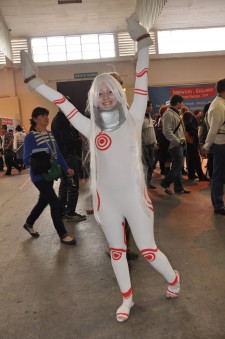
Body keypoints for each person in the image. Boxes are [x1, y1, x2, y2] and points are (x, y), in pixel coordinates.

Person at [20, 13, 180, 322]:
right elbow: (63, 103)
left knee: (147, 251)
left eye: (110, 91)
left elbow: (143, 81)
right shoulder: (90, 126)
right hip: (107, 202)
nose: (106, 97)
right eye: (100, 92)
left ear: (118, 93)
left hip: (135, 198)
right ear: (95, 97)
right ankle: (127, 298)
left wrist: (143, 44)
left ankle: (173, 278)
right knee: (117, 252)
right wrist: (34, 81)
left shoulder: (134, 116)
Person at [23, 107, 76, 245]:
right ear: (35, 119)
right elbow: (25, 159)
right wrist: (41, 158)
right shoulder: (30, 136)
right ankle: (62, 234)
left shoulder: (50, 134)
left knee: (43, 201)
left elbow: (57, 154)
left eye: (47, 115)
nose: (46, 118)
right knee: (54, 202)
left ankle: (29, 223)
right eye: (42, 116)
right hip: (39, 176)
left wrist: (67, 168)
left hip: (50, 174)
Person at [51, 107, 86, 222]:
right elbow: (67, 140)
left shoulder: (56, 119)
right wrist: (80, 140)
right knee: (73, 184)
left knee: (65, 183)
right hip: (68, 157)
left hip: (61, 157)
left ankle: (61, 210)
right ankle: (70, 212)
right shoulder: (64, 120)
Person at [202, 79, 225, 215]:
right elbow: (213, 129)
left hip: (222, 144)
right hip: (219, 144)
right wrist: (206, 146)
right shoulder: (217, 106)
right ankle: (218, 206)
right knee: (218, 176)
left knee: (220, 175)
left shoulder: (221, 104)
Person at [160, 95, 191, 195]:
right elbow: (167, 131)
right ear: (177, 102)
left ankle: (178, 188)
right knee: (178, 166)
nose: (182, 105)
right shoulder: (168, 114)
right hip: (175, 144)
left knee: (177, 166)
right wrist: (177, 141)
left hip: (179, 143)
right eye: (181, 102)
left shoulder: (174, 113)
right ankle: (165, 183)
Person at [182, 111, 209, 181]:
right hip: (192, 144)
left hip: (188, 144)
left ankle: (191, 174)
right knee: (196, 160)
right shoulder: (189, 124)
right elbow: (192, 132)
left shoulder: (184, 124)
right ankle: (201, 176)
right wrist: (196, 130)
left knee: (190, 160)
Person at [142, 100, 157, 188]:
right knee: (148, 164)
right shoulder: (141, 119)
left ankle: (148, 181)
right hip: (145, 146)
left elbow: (152, 131)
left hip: (151, 144)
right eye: (149, 106)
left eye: (151, 106)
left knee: (151, 164)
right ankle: (145, 182)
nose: (151, 108)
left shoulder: (150, 117)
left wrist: (155, 142)